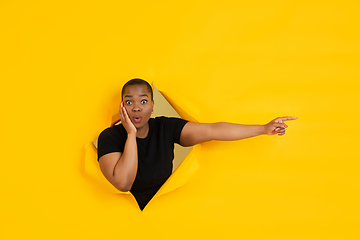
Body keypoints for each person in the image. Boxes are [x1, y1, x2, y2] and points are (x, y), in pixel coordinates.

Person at [97, 78, 297, 210]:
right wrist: (131, 134)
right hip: (121, 219)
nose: (136, 108)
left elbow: (212, 130)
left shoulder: (165, 127)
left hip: (164, 213)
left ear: (152, 105)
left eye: (143, 101)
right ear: (122, 106)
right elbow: (123, 183)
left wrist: (263, 129)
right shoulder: (110, 137)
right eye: (129, 102)